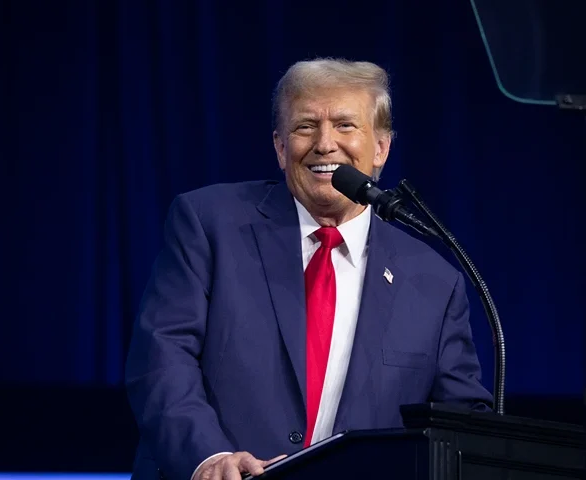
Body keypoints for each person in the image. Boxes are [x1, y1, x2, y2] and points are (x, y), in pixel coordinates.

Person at [124, 58, 493, 480]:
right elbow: (162, 357)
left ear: (381, 148)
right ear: (281, 148)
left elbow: (458, 424)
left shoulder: (434, 281)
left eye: (345, 125)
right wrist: (208, 457)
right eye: (305, 127)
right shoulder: (209, 224)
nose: (324, 144)